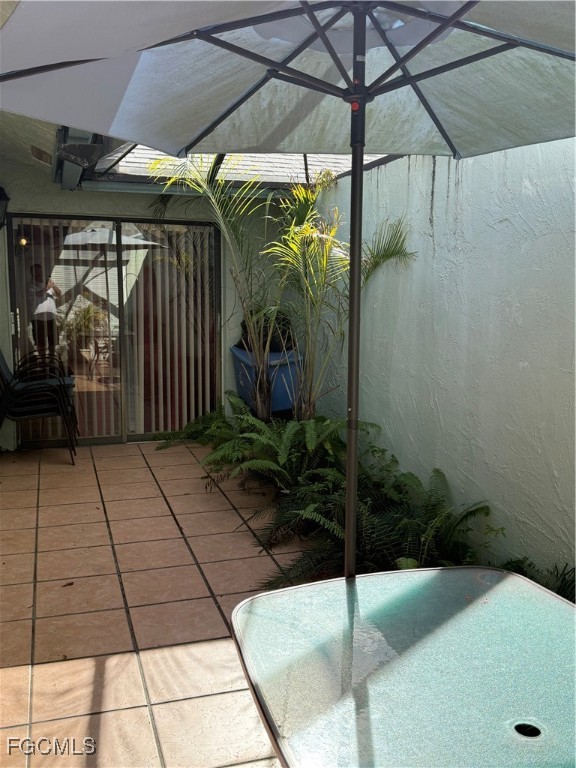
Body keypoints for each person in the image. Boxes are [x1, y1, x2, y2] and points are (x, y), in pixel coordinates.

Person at [27, 263, 62, 355]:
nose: (39, 274)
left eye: (40, 272)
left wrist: (53, 286)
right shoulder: (31, 285)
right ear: (32, 273)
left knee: (53, 342)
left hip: (51, 317)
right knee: (40, 342)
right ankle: (42, 361)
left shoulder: (47, 284)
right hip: (38, 318)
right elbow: (37, 295)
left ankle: (51, 359)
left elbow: (59, 294)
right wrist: (46, 288)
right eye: (37, 272)